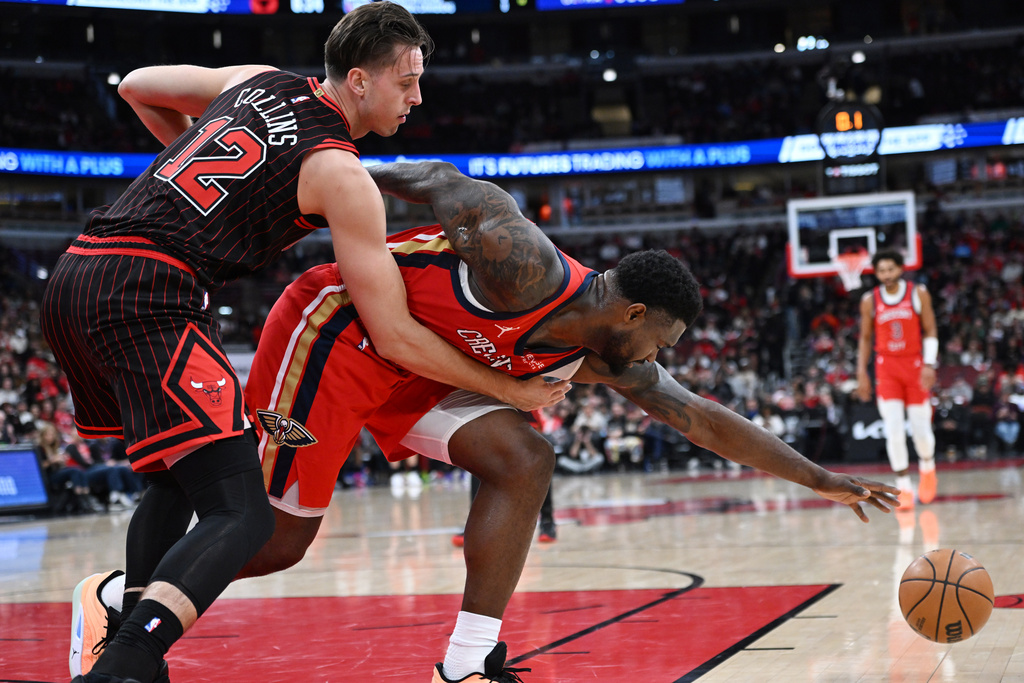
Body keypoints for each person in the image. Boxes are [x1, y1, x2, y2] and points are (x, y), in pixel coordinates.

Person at [75, 162, 901, 682]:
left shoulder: (611, 357)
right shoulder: (524, 263)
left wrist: (822, 478)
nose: (664, 354)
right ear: (635, 311)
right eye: (666, 337)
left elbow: (703, 419)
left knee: (523, 456)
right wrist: (322, 178)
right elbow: (442, 181)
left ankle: (467, 659)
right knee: (278, 538)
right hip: (338, 330)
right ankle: (122, 596)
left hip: (419, 371)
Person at [49, 6, 565, 683]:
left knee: (175, 482)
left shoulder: (259, 79)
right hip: (148, 291)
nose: (418, 96)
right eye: (406, 82)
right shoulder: (341, 174)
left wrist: (190, 181)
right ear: (358, 80)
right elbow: (393, 335)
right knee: (242, 513)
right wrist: (509, 388)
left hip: (77, 274)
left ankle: (121, 624)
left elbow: (137, 85)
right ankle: (122, 665)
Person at [856, 248, 939, 510]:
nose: (886, 274)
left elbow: (931, 330)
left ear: (901, 269)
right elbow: (865, 338)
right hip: (886, 367)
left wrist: (929, 363)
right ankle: (903, 485)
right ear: (876, 273)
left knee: (921, 429)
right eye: (881, 270)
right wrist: (861, 372)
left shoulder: (918, 293)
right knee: (893, 430)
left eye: (891, 269)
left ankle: (927, 465)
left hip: (914, 364)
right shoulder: (870, 299)